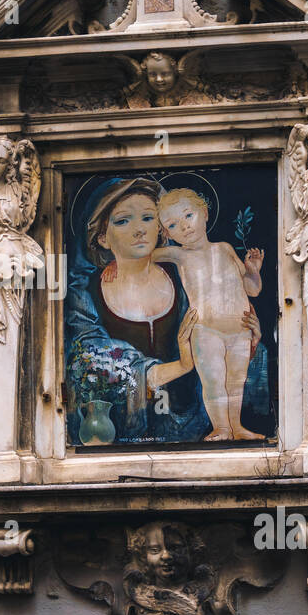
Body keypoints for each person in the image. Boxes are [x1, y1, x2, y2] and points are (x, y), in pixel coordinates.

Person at [65, 178, 208, 444]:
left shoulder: (187, 279)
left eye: (147, 218)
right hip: (119, 432)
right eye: (123, 221)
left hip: (191, 426)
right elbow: (96, 362)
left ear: (161, 227)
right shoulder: (85, 294)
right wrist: (182, 366)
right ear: (102, 237)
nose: (139, 230)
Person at [153, 188, 265, 440]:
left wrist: (253, 270)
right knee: (214, 381)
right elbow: (141, 254)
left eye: (188, 215)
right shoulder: (178, 255)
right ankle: (221, 428)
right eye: (172, 225)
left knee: (236, 382)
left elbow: (253, 290)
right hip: (206, 330)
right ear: (167, 233)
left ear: (203, 213)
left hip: (241, 329)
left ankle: (237, 427)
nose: (184, 227)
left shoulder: (224, 249)